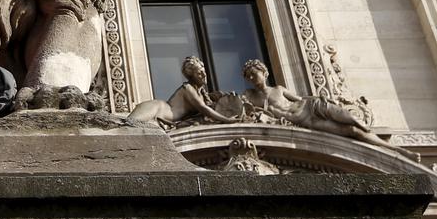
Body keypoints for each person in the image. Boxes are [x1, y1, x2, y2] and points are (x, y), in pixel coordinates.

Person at [240, 59, 396, 149]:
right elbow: (243, 109)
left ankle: (377, 137)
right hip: (305, 121)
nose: (252, 79)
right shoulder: (251, 97)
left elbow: (301, 99)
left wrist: (321, 99)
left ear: (264, 73)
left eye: (254, 74)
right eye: (249, 77)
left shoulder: (279, 89)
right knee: (351, 131)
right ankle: (391, 148)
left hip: (308, 108)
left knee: (349, 118)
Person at [127, 56, 237, 127]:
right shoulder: (188, 88)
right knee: (128, 125)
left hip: (167, 120)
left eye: (203, 72)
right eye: (199, 73)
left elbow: (212, 103)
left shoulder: (202, 94)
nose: (203, 75)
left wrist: (229, 97)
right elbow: (204, 108)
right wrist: (227, 120)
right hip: (157, 109)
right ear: (191, 76)